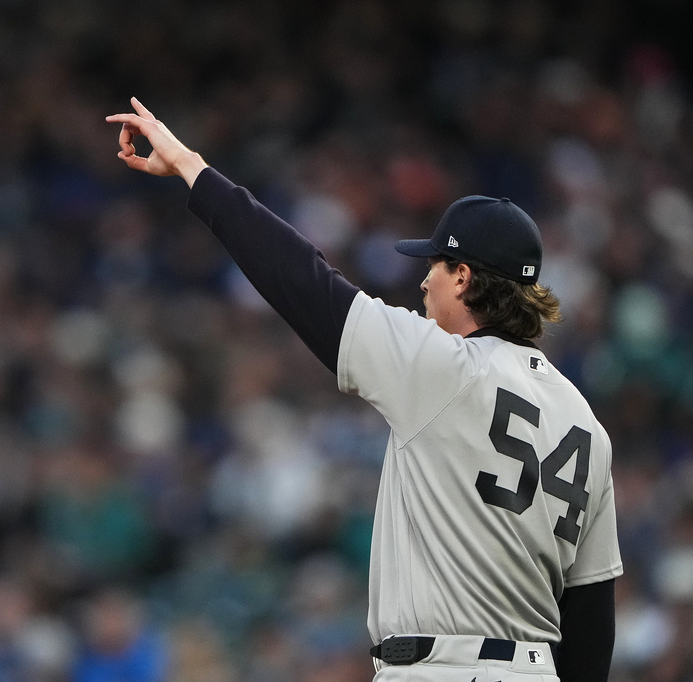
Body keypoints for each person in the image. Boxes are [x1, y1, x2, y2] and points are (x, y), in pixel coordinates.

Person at [105, 98, 623, 682]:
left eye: (435, 265)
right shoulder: (585, 423)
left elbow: (303, 281)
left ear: (465, 277)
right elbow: (590, 621)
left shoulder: (444, 368)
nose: (423, 279)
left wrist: (193, 170)